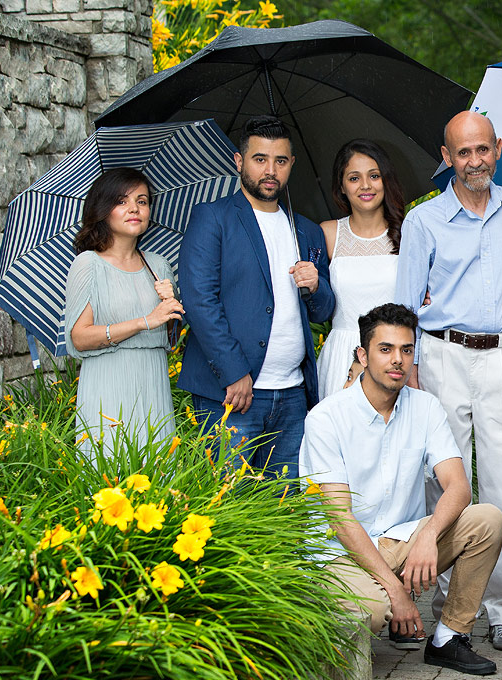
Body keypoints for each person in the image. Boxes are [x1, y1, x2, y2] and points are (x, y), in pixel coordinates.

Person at [299, 303, 502, 675]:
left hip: (401, 541)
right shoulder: (326, 419)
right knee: (374, 611)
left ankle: (449, 638)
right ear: (362, 355)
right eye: (385, 349)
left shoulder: (424, 407)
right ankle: (344, 606)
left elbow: (458, 486)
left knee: (487, 520)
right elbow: (340, 518)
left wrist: (428, 536)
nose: (397, 360)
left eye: (406, 350)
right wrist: (396, 593)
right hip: (339, 552)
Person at [396, 111, 502, 652]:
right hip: (442, 356)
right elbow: (406, 306)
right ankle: (442, 602)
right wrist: (408, 370)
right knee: (441, 482)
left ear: (497, 148)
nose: (474, 160)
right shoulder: (423, 222)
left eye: (483, 149)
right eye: (463, 152)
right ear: (447, 155)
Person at [178, 115, 334, 477]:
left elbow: (323, 311)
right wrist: (235, 373)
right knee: (229, 503)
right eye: (260, 159)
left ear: (291, 165)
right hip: (233, 394)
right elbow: (201, 300)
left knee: (286, 505)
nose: (270, 170)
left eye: (280, 161)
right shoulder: (212, 218)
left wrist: (315, 286)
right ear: (239, 161)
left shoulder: (306, 231)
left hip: (294, 393)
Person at [64, 167, 184, 451]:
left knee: (158, 478)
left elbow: (171, 337)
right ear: (103, 209)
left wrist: (172, 306)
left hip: (153, 382)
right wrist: (145, 321)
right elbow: (79, 337)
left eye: (142, 201)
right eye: (122, 201)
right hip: (109, 384)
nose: (134, 208)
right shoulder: (88, 264)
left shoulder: (159, 265)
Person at [316, 139, 406, 400]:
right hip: (342, 353)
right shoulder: (328, 233)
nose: (365, 186)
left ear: (385, 181)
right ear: (342, 186)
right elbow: (318, 302)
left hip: (393, 356)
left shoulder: (408, 233)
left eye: (374, 176)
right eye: (354, 178)